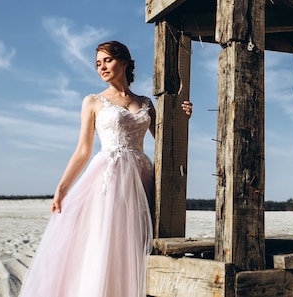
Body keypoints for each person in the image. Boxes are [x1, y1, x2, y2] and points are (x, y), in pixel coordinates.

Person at [18, 40, 192, 297]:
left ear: (123, 62)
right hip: (108, 177)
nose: (102, 67)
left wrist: (182, 117)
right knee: (105, 240)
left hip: (140, 177)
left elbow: (166, 142)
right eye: (98, 63)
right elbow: (83, 150)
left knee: (133, 243)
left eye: (107, 60)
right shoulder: (93, 101)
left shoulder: (145, 102)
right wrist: (62, 188)